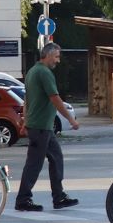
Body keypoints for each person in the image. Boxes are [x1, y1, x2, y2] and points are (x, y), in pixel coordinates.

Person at [16, 40, 80, 211]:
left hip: (41, 126)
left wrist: (24, 121)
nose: (58, 61)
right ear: (49, 55)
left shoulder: (32, 71)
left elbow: (27, 100)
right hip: (40, 127)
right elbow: (55, 98)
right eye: (57, 57)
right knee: (34, 164)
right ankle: (23, 200)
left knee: (56, 158)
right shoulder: (44, 73)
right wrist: (71, 120)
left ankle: (58, 197)